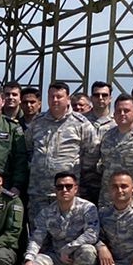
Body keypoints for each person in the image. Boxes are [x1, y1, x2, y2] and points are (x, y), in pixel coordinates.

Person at [21, 171, 99, 265]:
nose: (64, 190)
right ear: (55, 189)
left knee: (89, 251)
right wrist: (28, 259)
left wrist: (69, 248)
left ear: (76, 188)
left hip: (76, 258)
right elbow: (36, 239)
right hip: (56, 258)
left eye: (68, 186)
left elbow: (92, 234)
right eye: (60, 187)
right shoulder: (47, 212)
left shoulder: (87, 208)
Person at [25, 81, 100, 220]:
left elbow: (93, 152)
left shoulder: (81, 123)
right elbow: (28, 148)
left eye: (59, 96)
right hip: (39, 193)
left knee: (66, 235)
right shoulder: (37, 122)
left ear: (68, 98)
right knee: (38, 235)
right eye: (51, 96)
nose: (55, 100)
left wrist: (77, 171)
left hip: (66, 193)